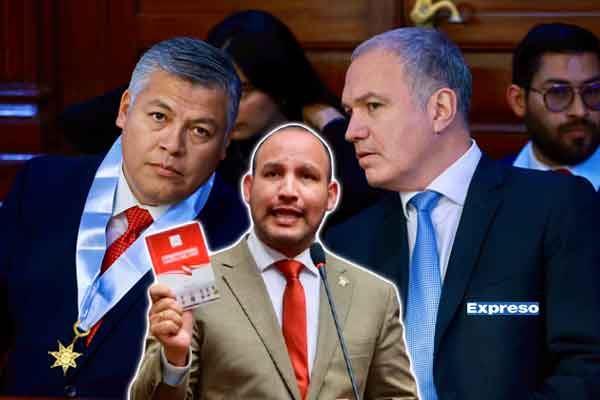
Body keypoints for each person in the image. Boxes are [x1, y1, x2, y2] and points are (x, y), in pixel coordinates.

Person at [324, 27, 600, 400]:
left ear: (440, 109)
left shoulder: (555, 206)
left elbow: (586, 366)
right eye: (350, 112)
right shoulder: (346, 244)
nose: (352, 131)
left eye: (373, 106)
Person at [0, 37, 249, 398]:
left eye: (200, 131)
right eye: (159, 117)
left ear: (225, 144)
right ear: (125, 109)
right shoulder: (42, 186)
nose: (173, 145)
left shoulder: (240, 235)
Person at [129, 123, 419, 400]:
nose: (288, 191)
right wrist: (174, 359)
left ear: (331, 196)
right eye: (273, 174)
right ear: (248, 188)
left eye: (307, 176)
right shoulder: (192, 280)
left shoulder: (374, 296)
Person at [505, 23, 600, 190]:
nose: (580, 111)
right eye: (558, 92)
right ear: (519, 100)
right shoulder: (482, 187)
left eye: (592, 91)